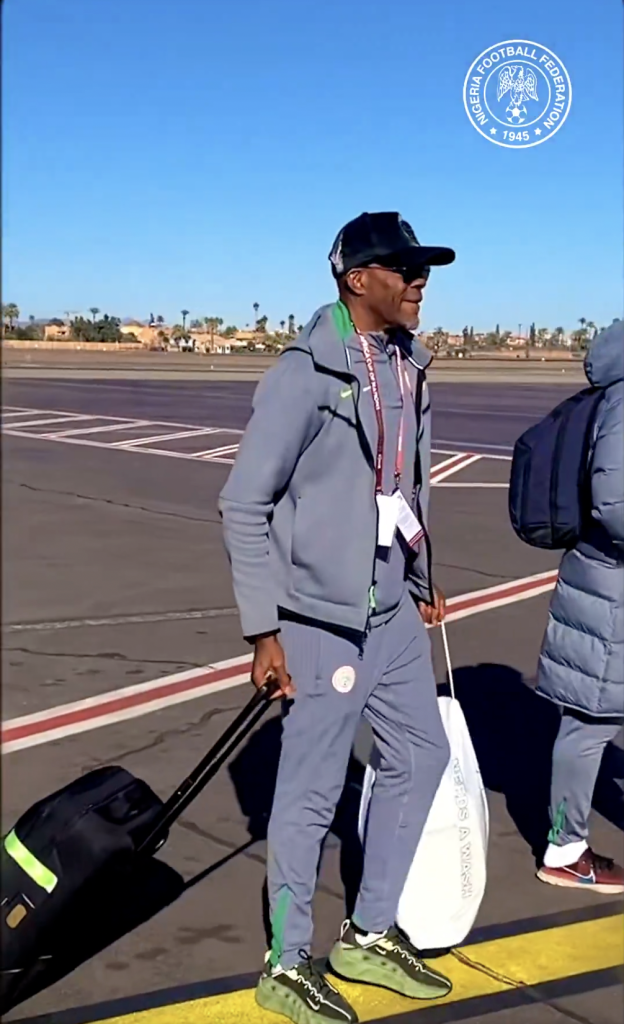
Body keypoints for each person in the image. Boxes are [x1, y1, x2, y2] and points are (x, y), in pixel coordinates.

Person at [219, 212, 456, 1024]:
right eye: (405, 269)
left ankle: (368, 932)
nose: (420, 281)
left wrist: (421, 575)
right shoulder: (303, 376)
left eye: (423, 269)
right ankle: (285, 964)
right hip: (321, 618)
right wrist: (264, 630)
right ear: (359, 279)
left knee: (421, 756)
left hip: (390, 609)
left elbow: (409, 486)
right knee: (311, 793)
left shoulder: (408, 366)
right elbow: (243, 502)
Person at [535, 319, 624, 894]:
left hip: (604, 582)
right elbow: (615, 502)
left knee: (593, 717)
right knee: (590, 720)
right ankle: (565, 850)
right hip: (610, 590)